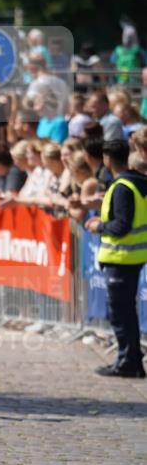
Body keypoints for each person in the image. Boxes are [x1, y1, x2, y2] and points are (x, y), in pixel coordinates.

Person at [84, 139, 147, 378]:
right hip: (134, 256)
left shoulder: (122, 187)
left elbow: (121, 225)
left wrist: (98, 225)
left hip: (122, 257)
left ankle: (128, 361)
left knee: (121, 314)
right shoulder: (139, 183)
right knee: (126, 312)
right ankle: (130, 359)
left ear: (107, 159)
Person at [25, 52, 69, 117]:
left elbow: (28, 107)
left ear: (31, 67)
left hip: (46, 124)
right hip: (61, 124)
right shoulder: (62, 82)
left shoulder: (36, 84)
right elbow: (67, 107)